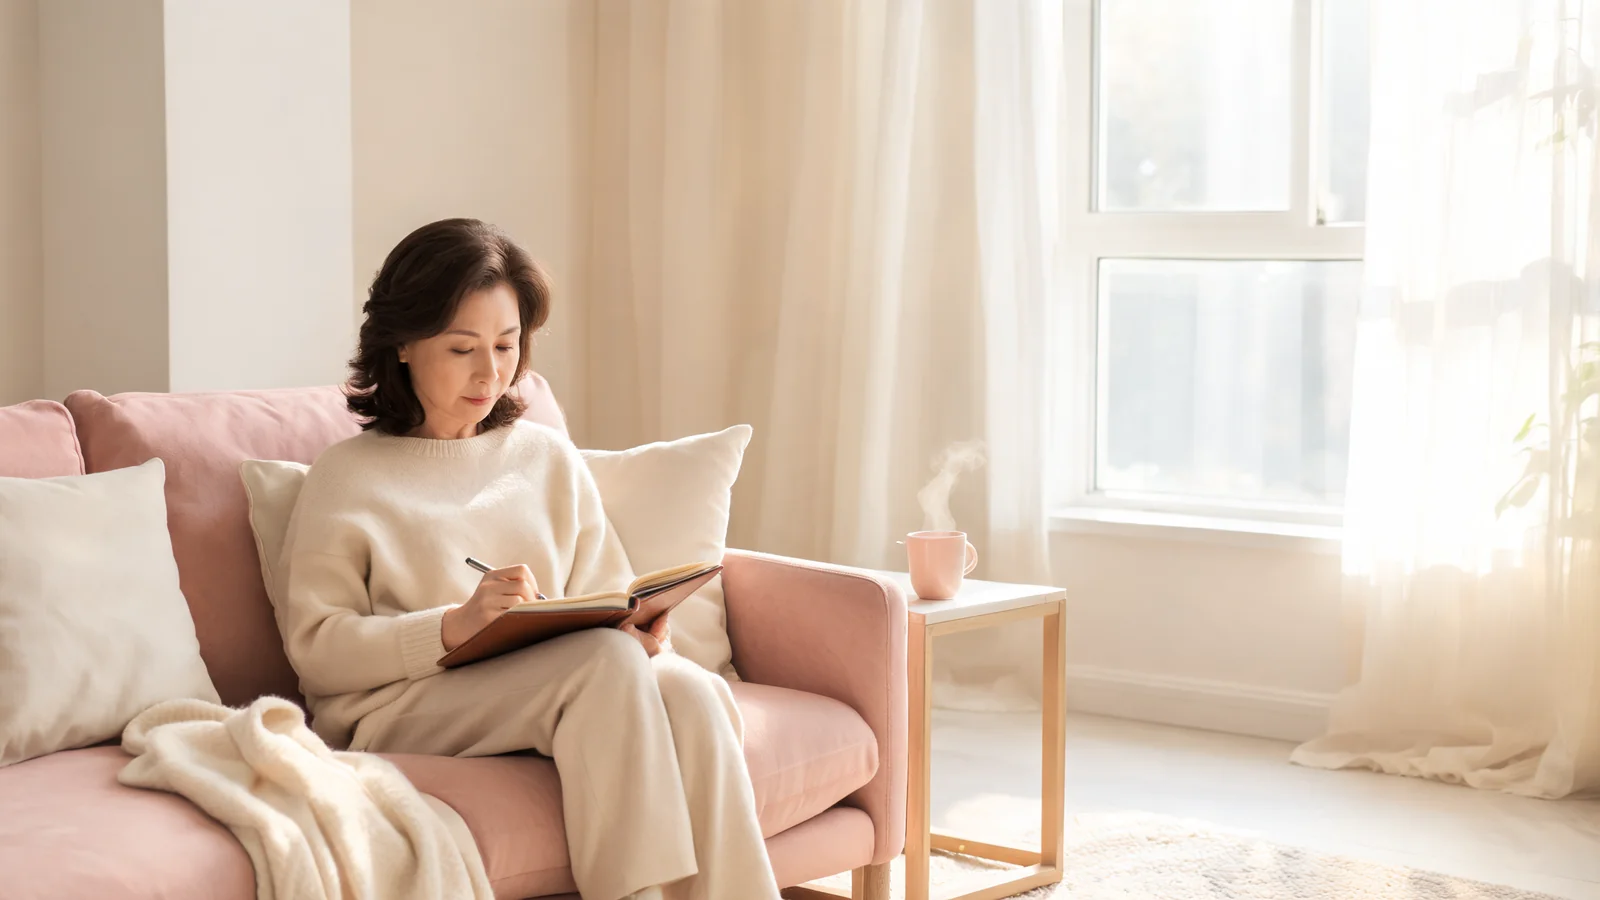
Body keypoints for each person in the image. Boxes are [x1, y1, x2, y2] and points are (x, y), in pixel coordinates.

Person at [274, 218, 780, 900]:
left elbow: (605, 593)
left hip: (547, 684)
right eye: (462, 349)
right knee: (604, 668)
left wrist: (637, 629)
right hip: (393, 707)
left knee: (690, 690)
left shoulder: (544, 456)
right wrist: (455, 625)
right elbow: (317, 649)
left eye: (506, 346)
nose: (490, 373)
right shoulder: (346, 476)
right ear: (402, 344)